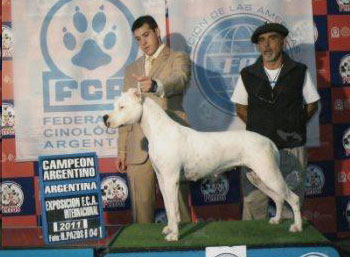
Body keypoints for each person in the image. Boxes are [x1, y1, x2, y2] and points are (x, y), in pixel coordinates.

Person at [231, 23, 320, 220]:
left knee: (291, 202)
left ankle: (289, 246)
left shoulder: (299, 71)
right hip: (255, 150)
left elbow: (312, 104)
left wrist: (295, 124)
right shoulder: (247, 74)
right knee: (254, 202)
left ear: (283, 41)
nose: (266, 45)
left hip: (291, 148)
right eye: (261, 41)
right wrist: (261, 129)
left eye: (272, 38)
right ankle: (255, 247)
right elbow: (240, 108)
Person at [116, 15, 191, 223]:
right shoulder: (131, 69)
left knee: (180, 210)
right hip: (138, 148)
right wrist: (122, 149)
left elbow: (180, 80)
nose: (143, 42)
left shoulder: (178, 58)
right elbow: (124, 112)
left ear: (157, 32)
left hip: (173, 143)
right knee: (142, 215)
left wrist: (156, 85)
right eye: (138, 39)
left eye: (146, 35)